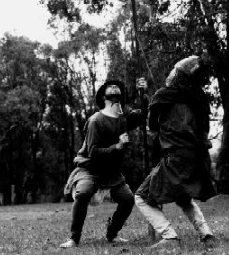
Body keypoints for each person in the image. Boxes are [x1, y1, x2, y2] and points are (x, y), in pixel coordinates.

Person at [135, 55, 216, 251]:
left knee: (141, 197)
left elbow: (152, 126)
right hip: (197, 157)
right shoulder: (200, 98)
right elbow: (204, 130)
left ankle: (169, 236)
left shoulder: (164, 94)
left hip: (176, 156)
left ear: (176, 74)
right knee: (183, 196)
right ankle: (206, 234)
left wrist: (151, 105)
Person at [60, 80, 146, 248]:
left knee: (128, 199)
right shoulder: (95, 121)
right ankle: (74, 238)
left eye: (117, 87)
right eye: (110, 86)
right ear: (103, 96)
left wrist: (143, 93)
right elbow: (93, 153)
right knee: (83, 193)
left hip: (112, 173)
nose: (114, 87)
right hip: (90, 169)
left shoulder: (123, 118)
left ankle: (111, 234)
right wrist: (118, 146)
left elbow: (143, 115)